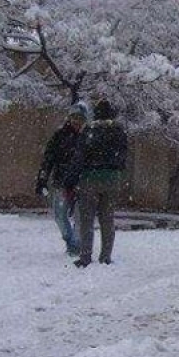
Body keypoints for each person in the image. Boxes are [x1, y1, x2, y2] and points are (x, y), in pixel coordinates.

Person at [73, 99, 128, 267]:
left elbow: (79, 155)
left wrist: (76, 175)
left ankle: (85, 257)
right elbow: (123, 154)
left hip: (90, 178)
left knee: (87, 219)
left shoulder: (88, 130)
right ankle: (105, 256)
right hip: (111, 179)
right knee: (107, 218)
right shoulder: (118, 131)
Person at [36, 102, 90, 256]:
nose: (76, 121)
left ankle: (77, 245)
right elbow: (49, 159)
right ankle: (70, 240)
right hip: (62, 181)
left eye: (80, 118)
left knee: (81, 217)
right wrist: (42, 178)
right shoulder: (60, 135)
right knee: (60, 215)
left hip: (83, 182)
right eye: (74, 117)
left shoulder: (89, 136)